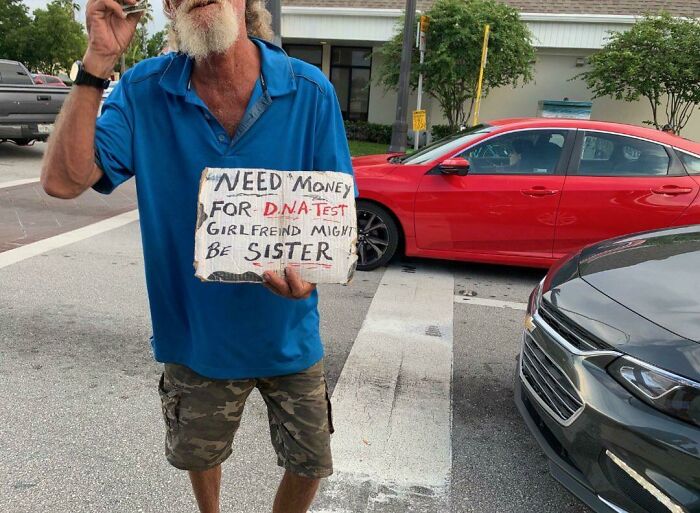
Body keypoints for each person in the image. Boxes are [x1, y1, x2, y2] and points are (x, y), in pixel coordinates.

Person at [40, 0, 353, 511]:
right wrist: (97, 62)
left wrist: (313, 275)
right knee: (199, 455)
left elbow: (331, 213)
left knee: (311, 459)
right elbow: (61, 180)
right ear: (168, 6)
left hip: (288, 332)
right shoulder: (144, 91)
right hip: (194, 338)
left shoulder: (310, 91)